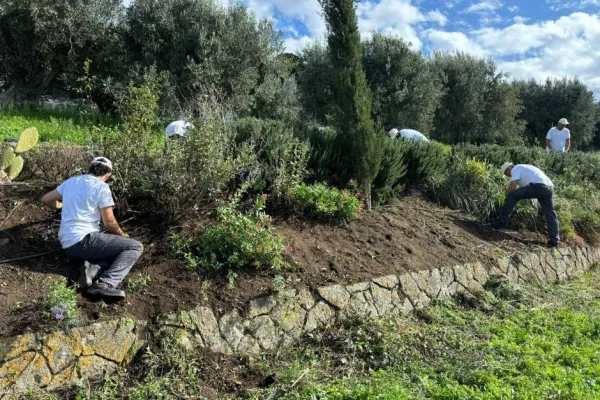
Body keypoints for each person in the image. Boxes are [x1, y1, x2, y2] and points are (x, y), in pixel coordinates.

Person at [41, 157, 143, 299]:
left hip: (68, 244)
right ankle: (104, 285)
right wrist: (122, 234)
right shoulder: (101, 187)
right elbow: (109, 222)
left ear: (90, 168)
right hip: (84, 240)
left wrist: (60, 207)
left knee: (115, 252)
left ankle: (91, 270)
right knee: (134, 247)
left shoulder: (71, 182)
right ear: (108, 175)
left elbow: (46, 199)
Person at [491, 163, 559, 247]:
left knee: (512, 196)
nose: (508, 176)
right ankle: (554, 241)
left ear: (508, 169)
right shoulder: (524, 168)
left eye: (506, 174)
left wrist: (506, 195)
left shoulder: (515, 169)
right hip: (549, 188)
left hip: (538, 186)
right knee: (550, 214)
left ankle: (501, 222)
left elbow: (513, 187)